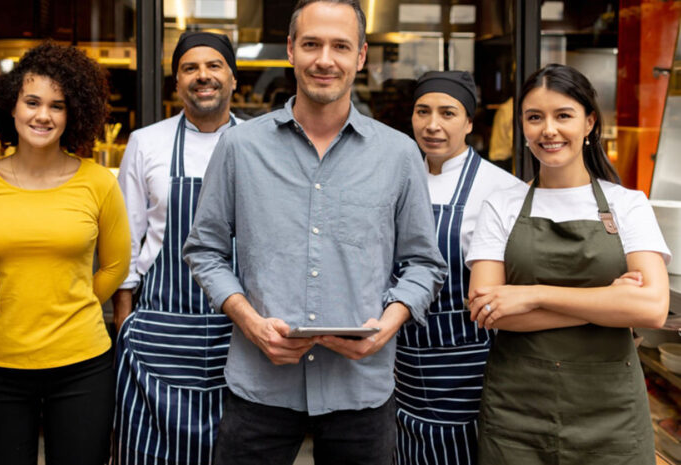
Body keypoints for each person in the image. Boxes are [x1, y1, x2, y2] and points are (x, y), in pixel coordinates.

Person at [183, 1, 448, 464]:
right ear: (290, 50)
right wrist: (249, 321)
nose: (325, 59)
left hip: (359, 388)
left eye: (340, 46)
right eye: (311, 44)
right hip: (261, 384)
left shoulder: (399, 154)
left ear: (361, 56)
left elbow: (425, 263)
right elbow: (204, 249)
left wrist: (389, 324)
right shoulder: (240, 147)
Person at [466, 63, 670, 464]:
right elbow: (487, 309)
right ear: (522, 126)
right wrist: (608, 304)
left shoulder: (628, 204)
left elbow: (651, 308)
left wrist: (531, 295)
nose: (549, 130)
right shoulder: (501, 205)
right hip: (518, 413)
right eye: (535, 117)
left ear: (589, 122)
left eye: (563, 115)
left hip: (611, 414)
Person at [0, 42, 131, 465]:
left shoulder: (98, 182)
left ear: (72, 113)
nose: (43, 115)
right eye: (33, 102)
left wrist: (70, 303)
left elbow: (116, 264)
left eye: (57, 106)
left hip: (82, 362)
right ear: (12, 107)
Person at [112, 31, 239, 465]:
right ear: (176, 82)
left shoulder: (263, 143)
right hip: (160, 331)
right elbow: (127, 235)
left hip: (239, 333)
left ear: (233, 79)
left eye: (214, 65)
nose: (202, 76)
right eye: (190, 68)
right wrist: (125, 320)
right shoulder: (146, 142)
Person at [394, 71, 522, 465]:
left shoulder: (501, 190)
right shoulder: (397, 178)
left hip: (466, 365)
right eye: (422, 112)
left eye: (448, 113)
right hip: (400, 359)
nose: (432, 125)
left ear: (469, 122)